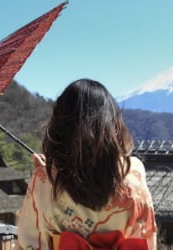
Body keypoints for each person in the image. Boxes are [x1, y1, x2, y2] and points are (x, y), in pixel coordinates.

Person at [17, 79, 157, 250]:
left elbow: (28, 242)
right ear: (112, 123)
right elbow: (146, 237)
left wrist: (47, 174)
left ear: (59, 125)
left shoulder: (43, 180)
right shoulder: (133, 172)